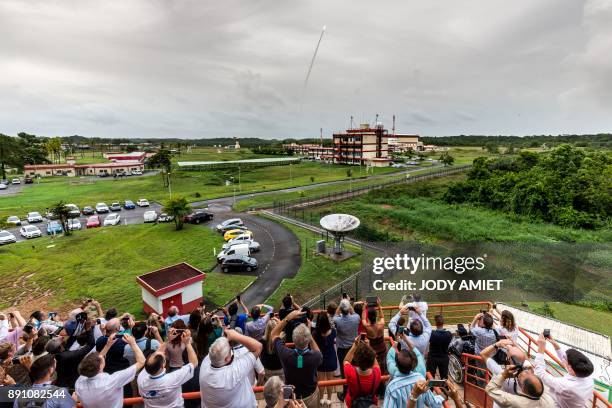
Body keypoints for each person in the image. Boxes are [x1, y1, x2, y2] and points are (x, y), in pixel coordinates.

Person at [75, 333, 145, 408]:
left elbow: (98, 359)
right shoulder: (113, 380)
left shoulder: (79, 382)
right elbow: (142, 361)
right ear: (101, 366)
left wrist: (108, 345)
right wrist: (133, 343)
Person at [199, 328, 263, 408]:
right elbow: (258, 347)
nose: (232, 350)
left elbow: (216, 351)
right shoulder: (234, 372)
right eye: (230, 350)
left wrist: (223, 340)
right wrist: (236, 336)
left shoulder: (205, 365)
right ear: (226, 359)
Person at [272, 310, 323, 408]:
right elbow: (318, 352)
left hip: (290, 394)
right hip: (310, 394)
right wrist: (309, 335)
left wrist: (287, 318)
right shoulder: (315, 357)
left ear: (293, 339)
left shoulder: (285, 354)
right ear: (308, 340)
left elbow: (274, 334)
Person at [137, 330, 198, 407]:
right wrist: (187, 343)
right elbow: (194, 363)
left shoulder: (141, 379)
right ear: (163, 365)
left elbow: (157, 354)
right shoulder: (173, 379)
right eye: (163, 356)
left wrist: (168, 340)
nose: (162, 352)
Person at [534, 332, 594, 408]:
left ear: (571, 369)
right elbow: (566, 360)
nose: (563, 359)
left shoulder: (565, 385)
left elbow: (540, 373)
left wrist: (541, 348)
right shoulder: (587, 376)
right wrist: (554, 344)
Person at [383, 342, 444, 408]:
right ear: (413, 365)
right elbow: (434, 404)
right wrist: (442, 396)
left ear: (396, 365)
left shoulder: (392, 387)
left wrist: (393, 347)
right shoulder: (420, 379)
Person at [481, 338, 531, 408]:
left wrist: (497, 344)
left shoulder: (500, 371)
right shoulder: (529, 371)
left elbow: (483, 354)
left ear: (507, 359)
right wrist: (515, 346)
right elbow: (524, 358)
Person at [46, 322, 96, 389]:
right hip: (71, 384)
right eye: (61, 341)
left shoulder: (52, 355)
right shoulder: (69, 356)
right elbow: (91, 344)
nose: (62, 338)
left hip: (61, 380)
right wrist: (88, 329)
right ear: (60, 347)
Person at [486, 363, 555, 407]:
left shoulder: (517, 402)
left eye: (518, 380)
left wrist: (504, 375)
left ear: (523, 389)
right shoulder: (548, 399)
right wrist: (529, 374)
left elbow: (490, 389)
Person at [342, 335, 381, 407]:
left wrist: (355, 345)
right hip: (371, 403)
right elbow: (376, 365)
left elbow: (346, 361)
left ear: (356, 360)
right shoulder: (377, 373)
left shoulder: (350, 372)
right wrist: (368, 347)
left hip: (353, 403)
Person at [312, 312, 337, 406]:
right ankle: (329, 399)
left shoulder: (315, 333)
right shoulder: (333, 331)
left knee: (321, 380)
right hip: (331, 357)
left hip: (320, 359)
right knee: (330, 380)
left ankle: (322, 398)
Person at [361, 298, 387, 373]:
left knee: (373, 366)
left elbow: (363, 318)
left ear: (368, 317)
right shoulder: (381, 324)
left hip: (372, 350)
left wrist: (364, 307)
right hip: (382, 349)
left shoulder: (367, 326)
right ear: (376, 316)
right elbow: (382, 317)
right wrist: (379, 305)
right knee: (382, 365)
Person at [426, 314, 452, 379]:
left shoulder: (432, 334)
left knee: (430, 377)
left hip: (432, 358)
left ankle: (430, 389)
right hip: (444, 358)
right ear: (443, 323)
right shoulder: (449, 334)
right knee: (444, 377)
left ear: (436, 323)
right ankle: (444, 389)